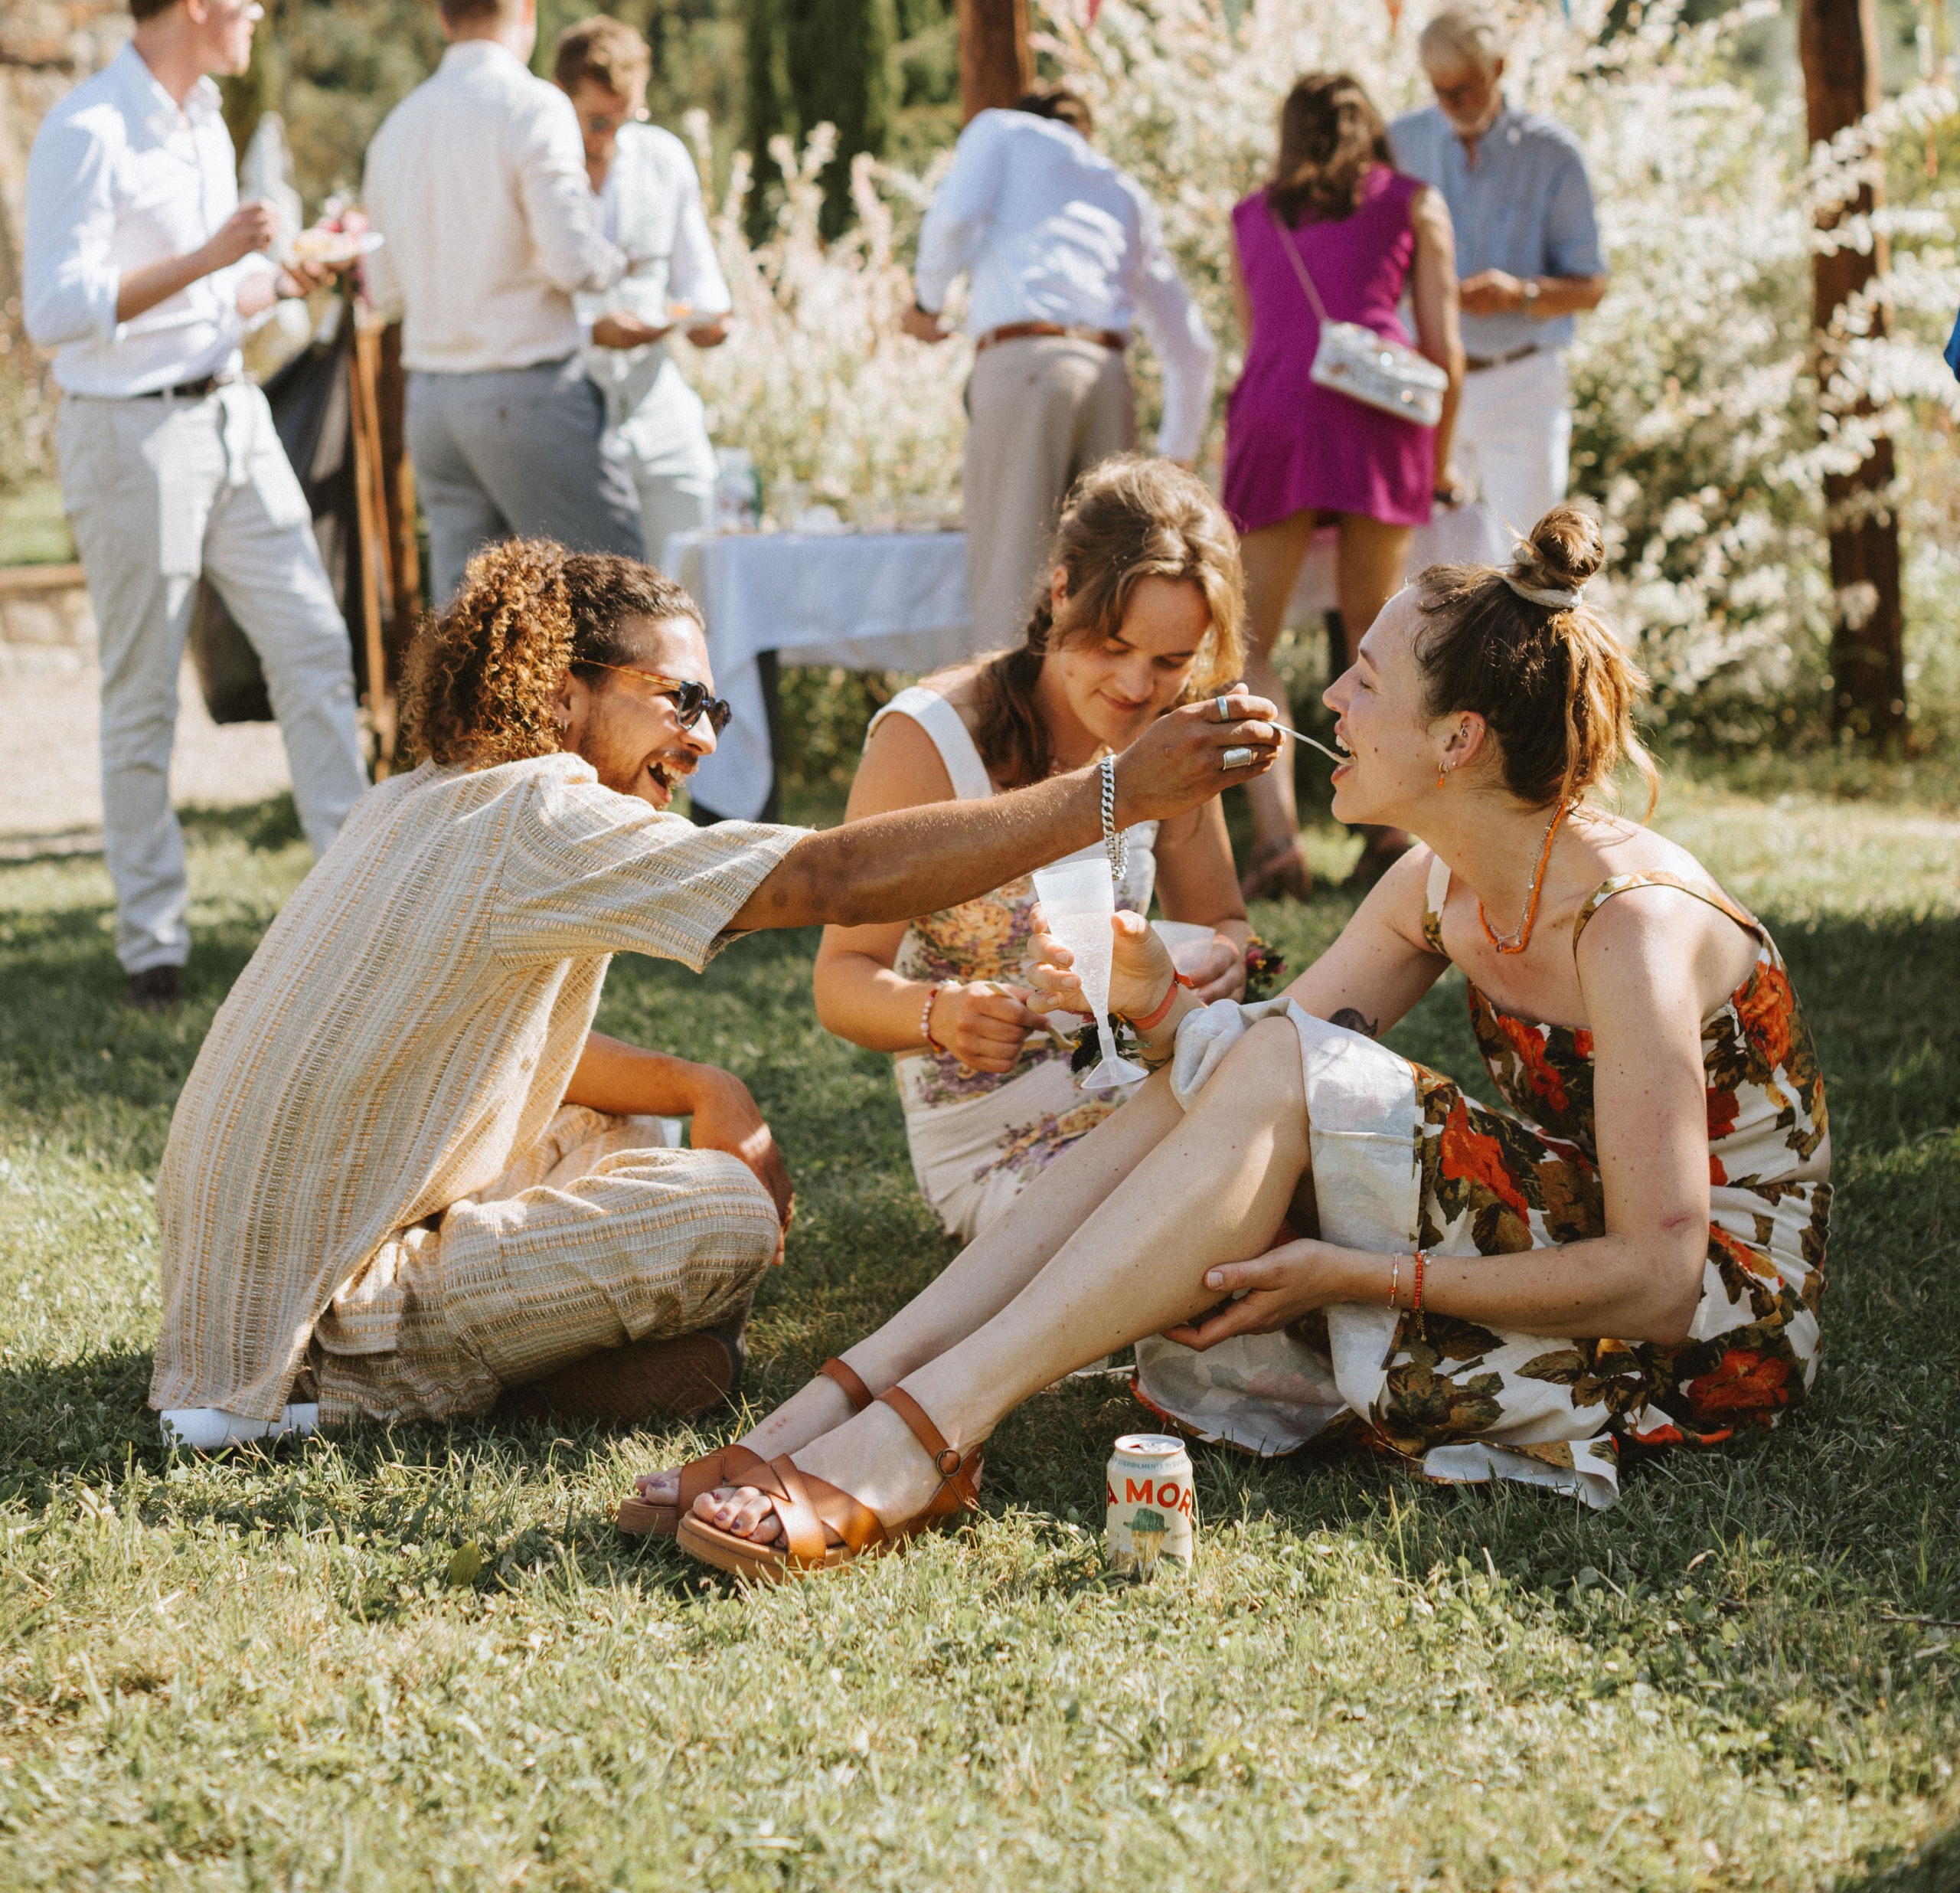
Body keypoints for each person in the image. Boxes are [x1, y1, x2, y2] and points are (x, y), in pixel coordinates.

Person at [655, 505, 1828, 1576]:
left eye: (1362, 683)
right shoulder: (1437, 883)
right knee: (1244, 1056)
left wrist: (1350, 1275)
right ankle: (843, 1403)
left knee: (1265, 1056)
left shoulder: (1630, 929)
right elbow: (1245, 1072)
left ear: (1459, 739)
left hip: (1709, 1335)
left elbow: (1664, 1279)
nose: (1330, 706)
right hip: (1572, 1240)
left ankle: (926, 1432)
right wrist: (1165, 1005)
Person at [149, 536, 1282, 1447]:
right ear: (560, 695)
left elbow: (485, 1051)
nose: (698, 739)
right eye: (675, 699)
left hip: (258, 1263)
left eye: (713, 709)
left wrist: (703, 1081)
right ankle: (322, 1404)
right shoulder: (544, 815)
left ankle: (533, 1368)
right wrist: (1112, 792)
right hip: (293, 1330)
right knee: (725, 1214)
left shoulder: (426, 797)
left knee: (630, 1123)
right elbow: (832, 873)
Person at [22, 0, 370, 1012]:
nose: (257, 9)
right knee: (141, 697)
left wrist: (290, 269)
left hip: (231, 415)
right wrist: (216, 254)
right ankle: (152, 948)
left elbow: (215, 299)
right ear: (194, 2)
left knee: (317, 653)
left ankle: (360, 911)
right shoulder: (89, 130)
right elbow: (57, 314)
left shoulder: (208, 122)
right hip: (128, 435)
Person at [814, 460, 1259, 1242]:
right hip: (995, 1127)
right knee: (1161, 1230)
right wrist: (937, 1013)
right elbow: (840, 978)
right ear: (1060, 592)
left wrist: (1227, 955)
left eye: (1169, 661)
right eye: (1113, 645)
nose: (1135, 686)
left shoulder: (1174, 732)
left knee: (1281, 1170)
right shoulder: (928, 739)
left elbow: (1223, 920)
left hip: (1147, 1079)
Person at [1222, 72, 1462, 901]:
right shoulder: (1413, 201)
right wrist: (1439, 458)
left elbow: (1260, 338)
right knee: (1376, 635)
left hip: (1277, 409)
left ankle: (1280, 841)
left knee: (1249, 641)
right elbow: (1445, 351)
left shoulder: (1250, 215)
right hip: (1377, 417)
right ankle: (1390, 830)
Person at [362, 0, 647, 606]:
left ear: (442, 17)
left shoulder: (396, 128)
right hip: (526, 392)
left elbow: (386, 289)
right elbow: (571, 259)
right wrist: (617, 262)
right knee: (617, 602)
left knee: (472, 635)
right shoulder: (532, 104)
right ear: (527, 5)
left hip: (433, 403)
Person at [905, 90, 1216, 652]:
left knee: (1012, 586)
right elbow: (1191, 345)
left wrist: (927, 302)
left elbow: (952, 218)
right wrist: (1176, 457)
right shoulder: (1122, 190)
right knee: (1107, 595)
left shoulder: (1000, 130)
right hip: (1108, 378)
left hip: (1024, 367)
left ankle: (1005, 738)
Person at [1390, 2, 1606, 562]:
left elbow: (1591, 284)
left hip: (1521, 379)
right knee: (1421, 577)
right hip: (1422, 380)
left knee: (1529, 564)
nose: (1452, 104)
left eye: (1465, 89)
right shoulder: (1400, 143)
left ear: (1500, 69)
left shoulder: (1552, 154)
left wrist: (1522, 295)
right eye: (1440, 91)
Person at [551, 17, 731, 574]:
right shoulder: (536, 170)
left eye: (627, 118)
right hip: (568, 403)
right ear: (561, 100)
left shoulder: (663, 157)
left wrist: (708, 317)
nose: (611, 135)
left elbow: (697, 274)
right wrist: (591, 332)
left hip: (657, 398)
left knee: (693, 560)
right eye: (597, 120)